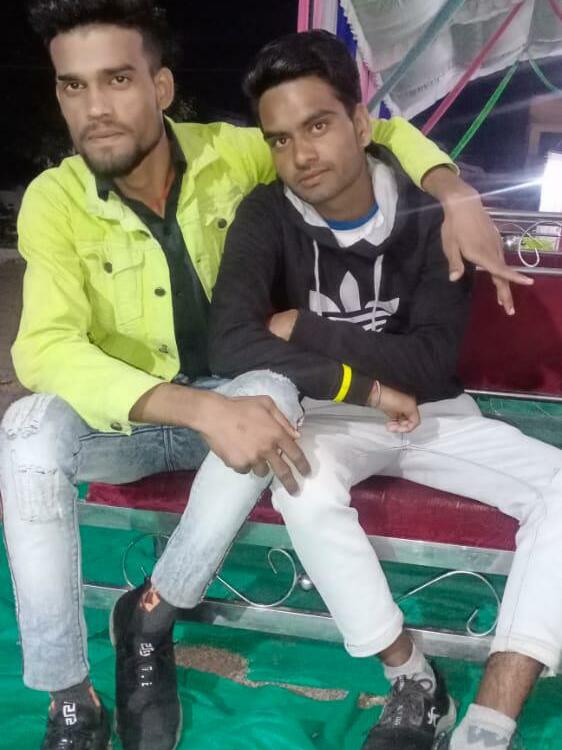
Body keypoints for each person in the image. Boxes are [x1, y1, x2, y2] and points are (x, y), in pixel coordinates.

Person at [0, 1, 530, 748]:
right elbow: (46, 349)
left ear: (160, 87)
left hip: (239, 412)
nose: (95, 109)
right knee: (24, 428)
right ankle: (69, 698)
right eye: (72, 86)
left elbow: (360, 129)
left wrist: (453, 189)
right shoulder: (54, 200)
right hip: (128, 420)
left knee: (273, 390)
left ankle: (152, 613)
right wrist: (194, 408)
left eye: (117, 80)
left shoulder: (234, 153)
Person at [205, 30, 562, 750]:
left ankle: (490, 722)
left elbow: (429, 365)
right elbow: (231, 344)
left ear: (361, 124)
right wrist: (362, 384)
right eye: (280, 140)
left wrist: (302, 327)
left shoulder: (431, 213)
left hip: (435, 415)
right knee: (301, 485)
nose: (300, 155)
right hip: (329, 415)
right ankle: (414, 682)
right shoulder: (265, 214)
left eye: (318, 126)